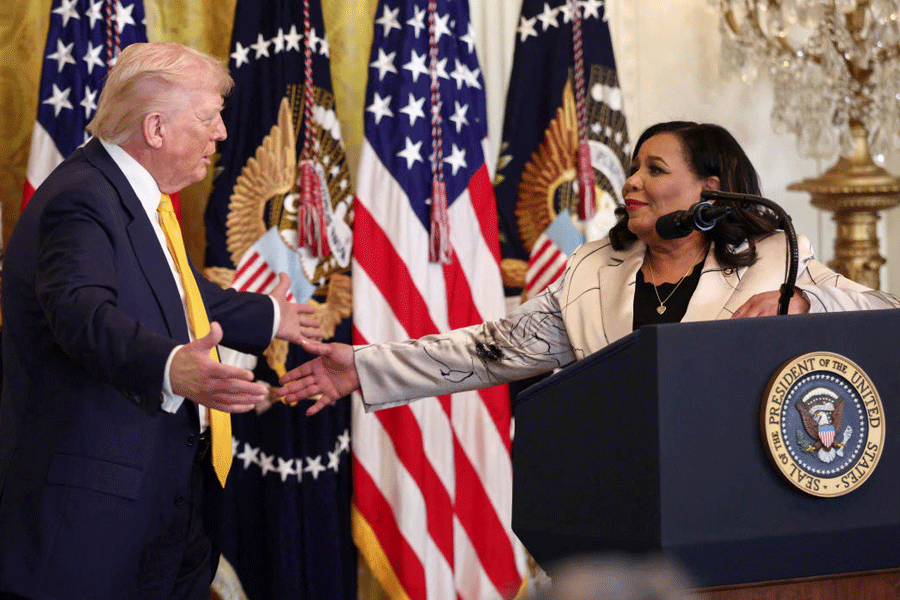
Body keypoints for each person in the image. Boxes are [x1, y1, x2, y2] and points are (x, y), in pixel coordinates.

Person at [276, 121, 900, 414]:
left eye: (654, 170)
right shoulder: (596, 270)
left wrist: (807, 307)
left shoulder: (775, 258)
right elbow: (492, 350)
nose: (629, 183)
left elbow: (884, 316)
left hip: (736, 491)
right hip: (624, 500)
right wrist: (363, 366)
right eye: (632, 168)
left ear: (710, 190)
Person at [0, 42, 321, 599]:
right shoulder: (80, 200)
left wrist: (274, 316)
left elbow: (181, 297)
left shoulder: (127, 193)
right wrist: (173, 368)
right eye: (208, 117)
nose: (221, 133)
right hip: (92, 525)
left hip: (162, 500)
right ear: (155, 129)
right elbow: (82, 315)